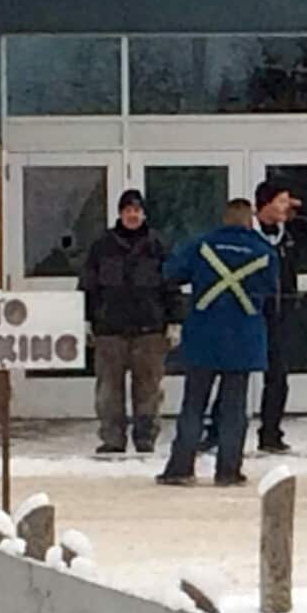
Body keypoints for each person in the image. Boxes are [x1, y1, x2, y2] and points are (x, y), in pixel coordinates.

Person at [157, 199, 279, 487]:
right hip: (243, 338)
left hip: (204, 336)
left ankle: (180, 468)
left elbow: (170, 273)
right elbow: (272, 290)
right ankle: (228, 470)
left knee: (193, 405)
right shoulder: (264, 252)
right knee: (234, 408)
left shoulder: (201, 245)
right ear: (250, 220)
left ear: (224, 219)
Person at [201, 180, 301, 454]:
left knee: (278, 375)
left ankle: (271, 434)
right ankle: (216, 431)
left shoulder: (288, 235)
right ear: (265, 204)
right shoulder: (247, 234)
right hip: (247, 313)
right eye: (281, 201)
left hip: (279, 314)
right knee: (235, 372)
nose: (285, 207)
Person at [78, 189, 180, 454]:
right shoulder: (102, 246)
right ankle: (112, 439)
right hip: (109, 330)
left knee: (148, 390)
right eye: (127, 210)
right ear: (120, 213)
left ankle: (145, 439)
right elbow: (88, 286)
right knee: (108, 391)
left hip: (150, 330)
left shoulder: (159, 245)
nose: (132, 215)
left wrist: (175, 321)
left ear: (143, 213)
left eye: (136, 210)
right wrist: (86, 320)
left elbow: (172, 286)